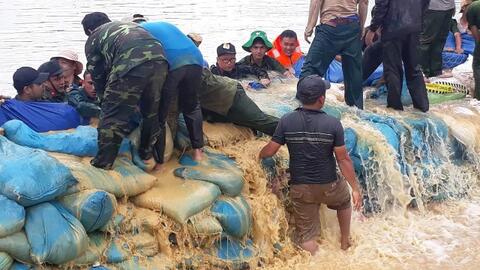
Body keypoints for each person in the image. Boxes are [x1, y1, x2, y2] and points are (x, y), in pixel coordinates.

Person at [259, 75, 362, 254]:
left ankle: (316, 259)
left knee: (307, 237)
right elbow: (343, 159)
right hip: (330, 186)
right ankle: (345, 241)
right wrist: (354, 188)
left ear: (299, 97)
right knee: (344, 201)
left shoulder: (286, 120)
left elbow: (271, 150)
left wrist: (258, 155)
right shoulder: (333, 123)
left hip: (301, 189)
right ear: (321, 99)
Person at [81, 12, 169, 170]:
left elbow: (97, 74)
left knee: (112, 116)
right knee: (151, 112)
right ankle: (146, 154)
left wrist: (104, 101)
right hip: (160, 60)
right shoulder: (126, 26)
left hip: (131, 62)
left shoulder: (93, 37)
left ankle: (104, 163)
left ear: (88, 30)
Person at [139, 19, 205, 167]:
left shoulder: (136, 32)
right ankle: (198, 152)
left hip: (174, 62)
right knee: (192, 107)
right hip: (196, 58)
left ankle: (160, 162)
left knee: (159, 114)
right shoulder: (161, 24)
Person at [301, 0, 369, 109]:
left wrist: (310, 26)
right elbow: (364, 3)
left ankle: (303, 105)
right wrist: (361, 27)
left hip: (330, 27)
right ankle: (356, 110)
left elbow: (316, 2)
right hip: (352, 26)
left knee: (310, 70)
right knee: (354, 74)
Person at [366, 0, 430, 112]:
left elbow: (381, 5)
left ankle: (395, 108)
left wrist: (373, 29)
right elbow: (425, 3)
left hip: (392, 27)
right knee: (414, 68)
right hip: (414, 26)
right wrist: (419, 20)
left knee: (393, 69)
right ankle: (422, 107)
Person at [200, 69, 279, 135]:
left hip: (231, 95)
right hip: (212, 105)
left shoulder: (192, 71)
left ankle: (290, 126)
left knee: (261, 121)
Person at [419, 0, 456, 78]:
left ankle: (436, 71)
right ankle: (422, 71)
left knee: (440, 39)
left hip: (448, 7)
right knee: (426, 40)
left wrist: (453, 5)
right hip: (433, 7)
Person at [467, 0, 480, 100]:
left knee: (478, 67)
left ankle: (478, 97)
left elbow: (473, 28)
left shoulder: (474, 7)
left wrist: (478, 42)